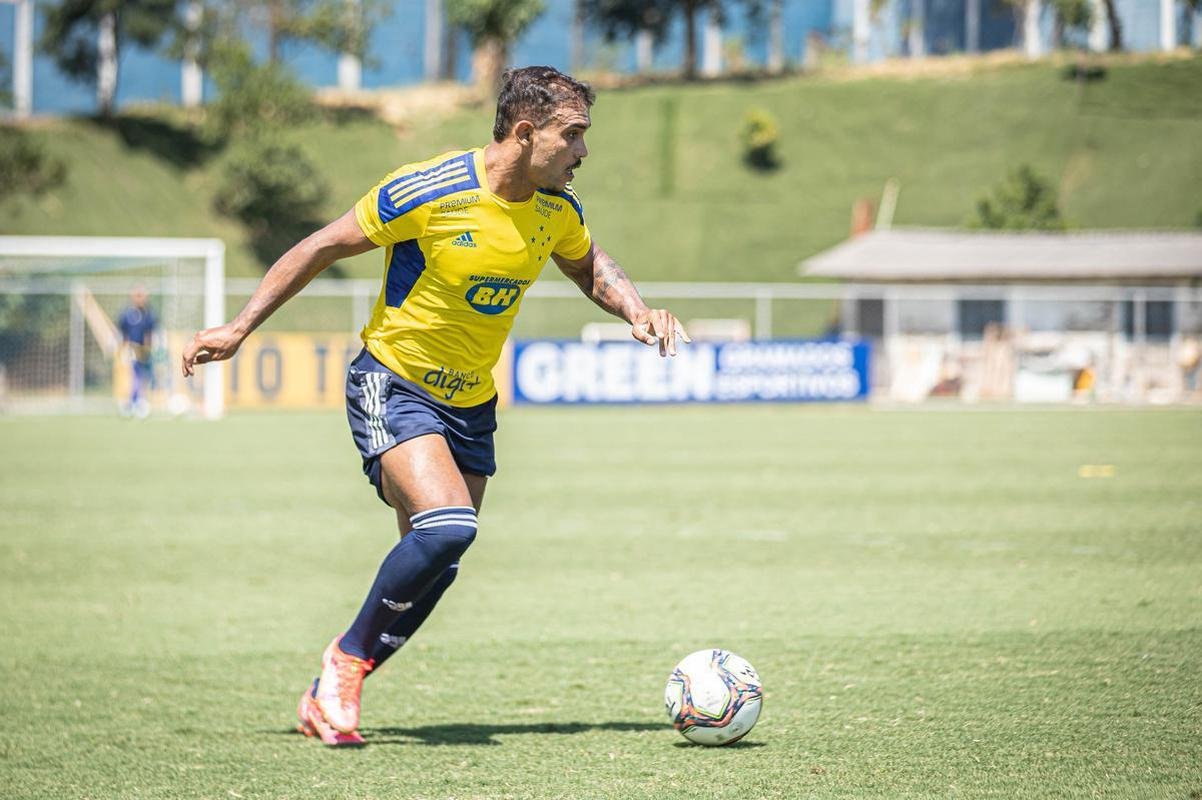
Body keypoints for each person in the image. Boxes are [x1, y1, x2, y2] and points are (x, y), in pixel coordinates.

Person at [181, 66, 690, 747]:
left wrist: (636, 309)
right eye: (573, 136)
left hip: (471, 405)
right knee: (449, 525)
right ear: (524, 131)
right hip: (393, 382)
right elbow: (322, 245)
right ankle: (344, 661)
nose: (583, 152)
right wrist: (240, 326)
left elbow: (588, 263)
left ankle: (330, 690)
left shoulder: (554, 211)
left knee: (437, 562)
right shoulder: (429, 189)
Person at [118, 286, 157, 417]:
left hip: (144, 351)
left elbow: (150, 334)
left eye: (143, 295)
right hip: (132, 350)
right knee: (135, 376)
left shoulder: (149, 314)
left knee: (144, 377)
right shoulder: (127, 314)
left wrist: (149, 350)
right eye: (138, 295)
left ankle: (137, 401)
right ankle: (134, 402)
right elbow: (124, 333)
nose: (141, 298)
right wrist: (124, 349)